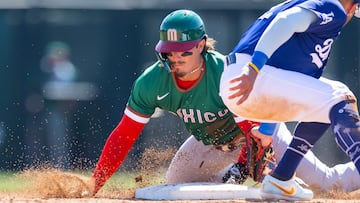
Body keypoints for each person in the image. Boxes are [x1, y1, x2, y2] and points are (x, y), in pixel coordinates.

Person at [90, 9, 360, 196]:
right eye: (169, 53)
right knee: (176, 187)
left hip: (261, 134)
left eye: (184, 51)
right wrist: (94, 184)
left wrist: (244, 168)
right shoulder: (151, 83)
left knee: (325, 184)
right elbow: (124, 135)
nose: (176, 59)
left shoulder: (224, 73)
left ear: (201, 45)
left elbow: (252, 130)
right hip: (211, 142)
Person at [220, 0, 360, 201]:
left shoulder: (312, 16)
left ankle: (281, 178)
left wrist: (267, 131)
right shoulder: (333, 6)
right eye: (355, 8)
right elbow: (286, 21)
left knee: (323, 105)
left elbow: (286, 82)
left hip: (244, 84)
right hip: (250, 76)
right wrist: (254, 67)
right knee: (340, 96)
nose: (351, 14)